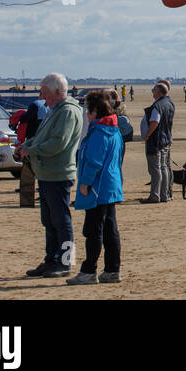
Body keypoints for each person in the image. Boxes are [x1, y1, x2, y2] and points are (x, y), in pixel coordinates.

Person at [18, 73, 83, 278]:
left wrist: (32, 150)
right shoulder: (54, 110)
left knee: (62, 220)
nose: (41, 96)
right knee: (49, 220)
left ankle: (65, 263)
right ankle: (51, 260)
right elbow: (40, 136)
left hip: (58, 173)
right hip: (46, 173)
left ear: (56, 91)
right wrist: (26, 146)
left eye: (44, 92)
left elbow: (58, 143)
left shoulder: (68, 112)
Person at [66, 90, 124, 286]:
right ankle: (112, 269)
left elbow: (94, 161)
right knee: (109, 229)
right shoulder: (114, 130)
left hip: (98, 188)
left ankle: (89, 270)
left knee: (94, 230)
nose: (86, 114)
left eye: (88, 110)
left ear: (96, 111)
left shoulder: (100, 131)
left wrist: (85, 182)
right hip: (111, 186)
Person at [140, 82, 175, 203]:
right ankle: (164, 194)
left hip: (156, 140)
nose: (152, 91)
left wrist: (148, 134)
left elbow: (155, 121)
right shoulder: (169, 103)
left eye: (154, 89)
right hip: (166, 139)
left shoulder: (158, 105)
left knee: (156, 169)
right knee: (163, 167)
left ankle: (155, 195)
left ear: (159, 92)